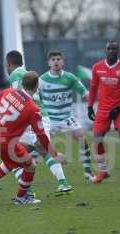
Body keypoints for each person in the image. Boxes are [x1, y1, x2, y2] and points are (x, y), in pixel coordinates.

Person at [0, 71, 66, 205]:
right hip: (7, 143)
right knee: (31, 166)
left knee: (11, 161)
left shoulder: (8, 91)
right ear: (37, 86)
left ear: (22, 83)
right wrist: (54, 154)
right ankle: (21, 198)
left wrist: (1, 118)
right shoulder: (33, 109)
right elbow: (41, 135)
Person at [6, 50, 73, 196]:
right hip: (41, 115)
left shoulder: (14, 75)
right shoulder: (28, 74)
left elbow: (18, 97)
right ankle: (61, 183)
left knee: (18, 154)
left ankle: (29, 190)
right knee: (23, 153)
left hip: (31, 117)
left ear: (8, 63)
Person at [88, 41, 120, 185]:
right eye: (109, 48)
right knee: (97, 139)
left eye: (114, 49)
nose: (111, 51)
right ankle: (102, 171)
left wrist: (119, 107)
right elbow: (93, 87)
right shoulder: (97, 67)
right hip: (103, 109)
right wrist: (90, 106)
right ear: (105, 50)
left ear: (118, 51)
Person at [39, 50, 94, 181]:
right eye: (53, 60)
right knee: (37, 146)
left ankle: (88, 173)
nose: (56, 62)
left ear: (62, 62)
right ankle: (27, 176)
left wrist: (92, 103)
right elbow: (33, 98)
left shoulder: (70, 78)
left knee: (82, 139)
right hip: (49, 119)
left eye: (58, 59)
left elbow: (85, 94)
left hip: (66, 118)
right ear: (49, 63)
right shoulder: (42, 80)